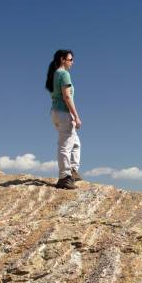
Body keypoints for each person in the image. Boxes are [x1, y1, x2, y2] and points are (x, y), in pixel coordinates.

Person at [45, 49, 83, 189]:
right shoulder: (64, 74)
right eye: (70, 59)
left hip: (55, 113)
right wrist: (76, 116)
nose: (72, 62)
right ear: (62, 59)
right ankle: (64, 177)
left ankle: (72, 170)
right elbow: (67, 97)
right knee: (65, 146)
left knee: (75, 143)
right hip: (63, 113)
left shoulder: (55, 74)